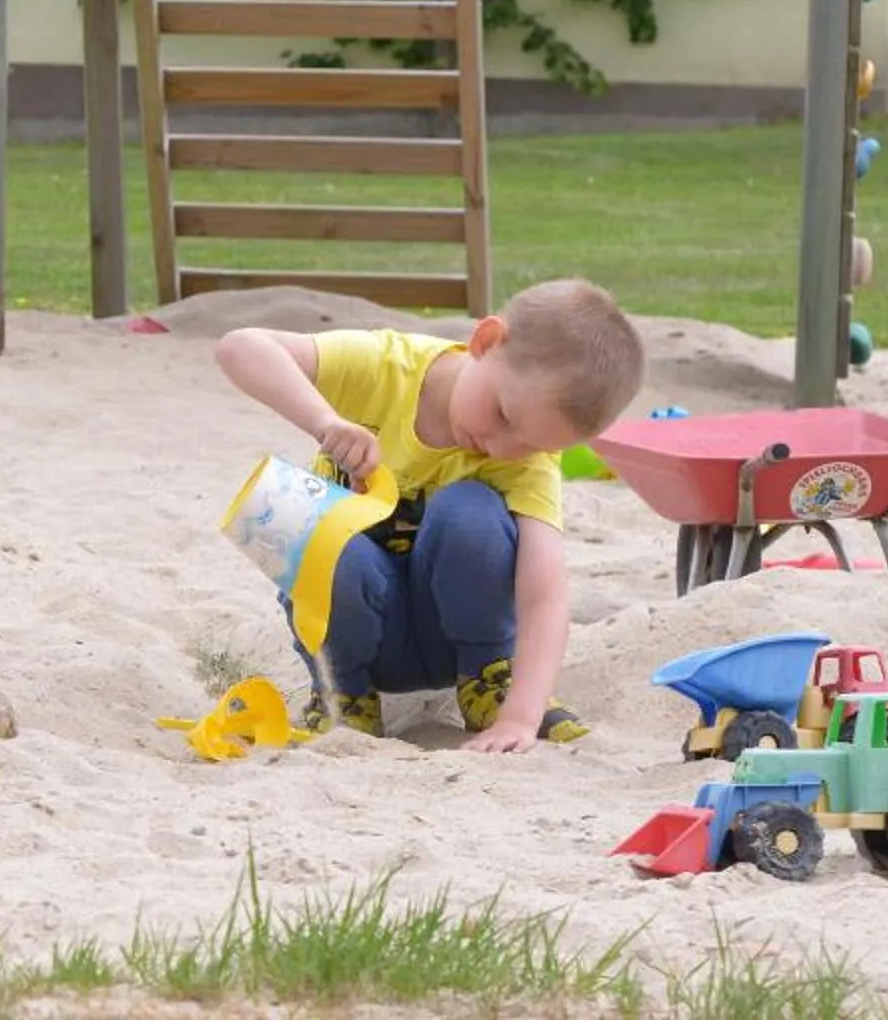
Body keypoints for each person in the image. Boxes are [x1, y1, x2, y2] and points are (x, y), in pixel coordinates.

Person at [211, 279, 645, 752]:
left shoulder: (527, 464)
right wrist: (326, 422)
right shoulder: (385, 367)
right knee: (300, 521)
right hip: (357, 637)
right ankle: (343, 693)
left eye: (533, 445)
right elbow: (240, 348)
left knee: (470, 511)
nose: (501, 448)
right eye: (502, 415)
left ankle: (487, 683)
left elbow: (545, 597)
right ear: (485, 342)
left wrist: (522, 716)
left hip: (456, 643)